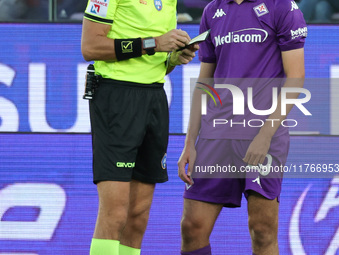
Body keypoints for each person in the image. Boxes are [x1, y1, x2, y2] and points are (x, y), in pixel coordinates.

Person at [178, 0, 307, 254]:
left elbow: (296, 77)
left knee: (262, 229)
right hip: (217, 134)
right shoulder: (211, 11)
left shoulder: (281, 7)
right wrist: (190, 141)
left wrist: (266, 134)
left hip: (262, 132)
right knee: (192, 227)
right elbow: (205, 81)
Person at [81, 0, 199, 254]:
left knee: (138, 216)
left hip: (155, 96)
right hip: (116, 96)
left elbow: (157, 61)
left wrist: (174, 58)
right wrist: (154, 43)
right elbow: (90, 46)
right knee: (114, 214)